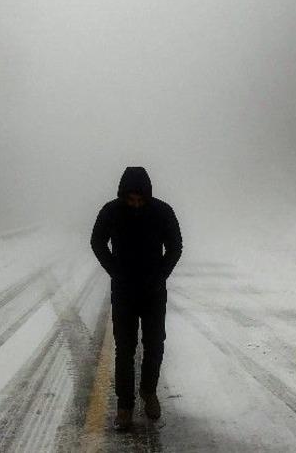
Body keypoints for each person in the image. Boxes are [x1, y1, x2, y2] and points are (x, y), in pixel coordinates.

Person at [90, 166, 183, 431]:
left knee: (155, 344)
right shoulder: (111, 211)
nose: (135, 204)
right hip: (124, 292)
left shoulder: (162, 212)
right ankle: (125, 406)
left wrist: (161, 274)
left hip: (154, 292)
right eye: (130, 199)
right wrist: (115, 270)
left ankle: (148, 391)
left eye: (140, 199)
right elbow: (97, 241)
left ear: (148, 196)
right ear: (122, 195)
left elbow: (175, 246)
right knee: (125, 349)